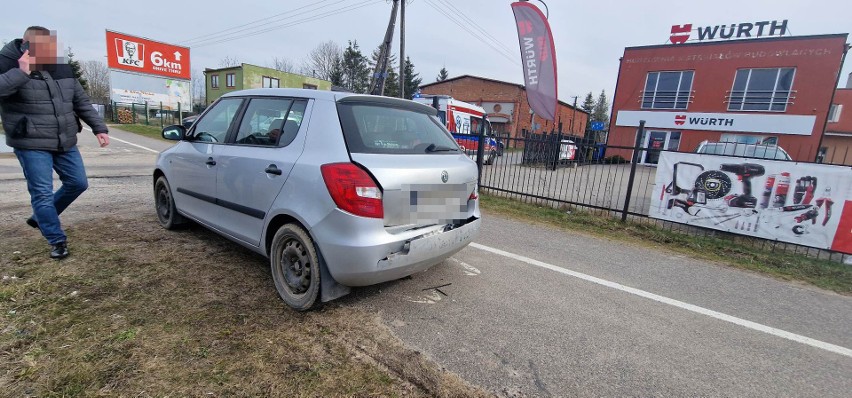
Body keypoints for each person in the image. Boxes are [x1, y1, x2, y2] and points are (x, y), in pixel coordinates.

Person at [0, 26, 110, 259]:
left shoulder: (60, 66)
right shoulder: (7, 62)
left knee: (78, 183)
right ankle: (56, 240)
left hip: (65, 139)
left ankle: (41, 218)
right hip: (30, 141)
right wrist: (21, 72)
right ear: (25, 44)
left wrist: (99, 128)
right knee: (42, 192)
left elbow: (80, 101)